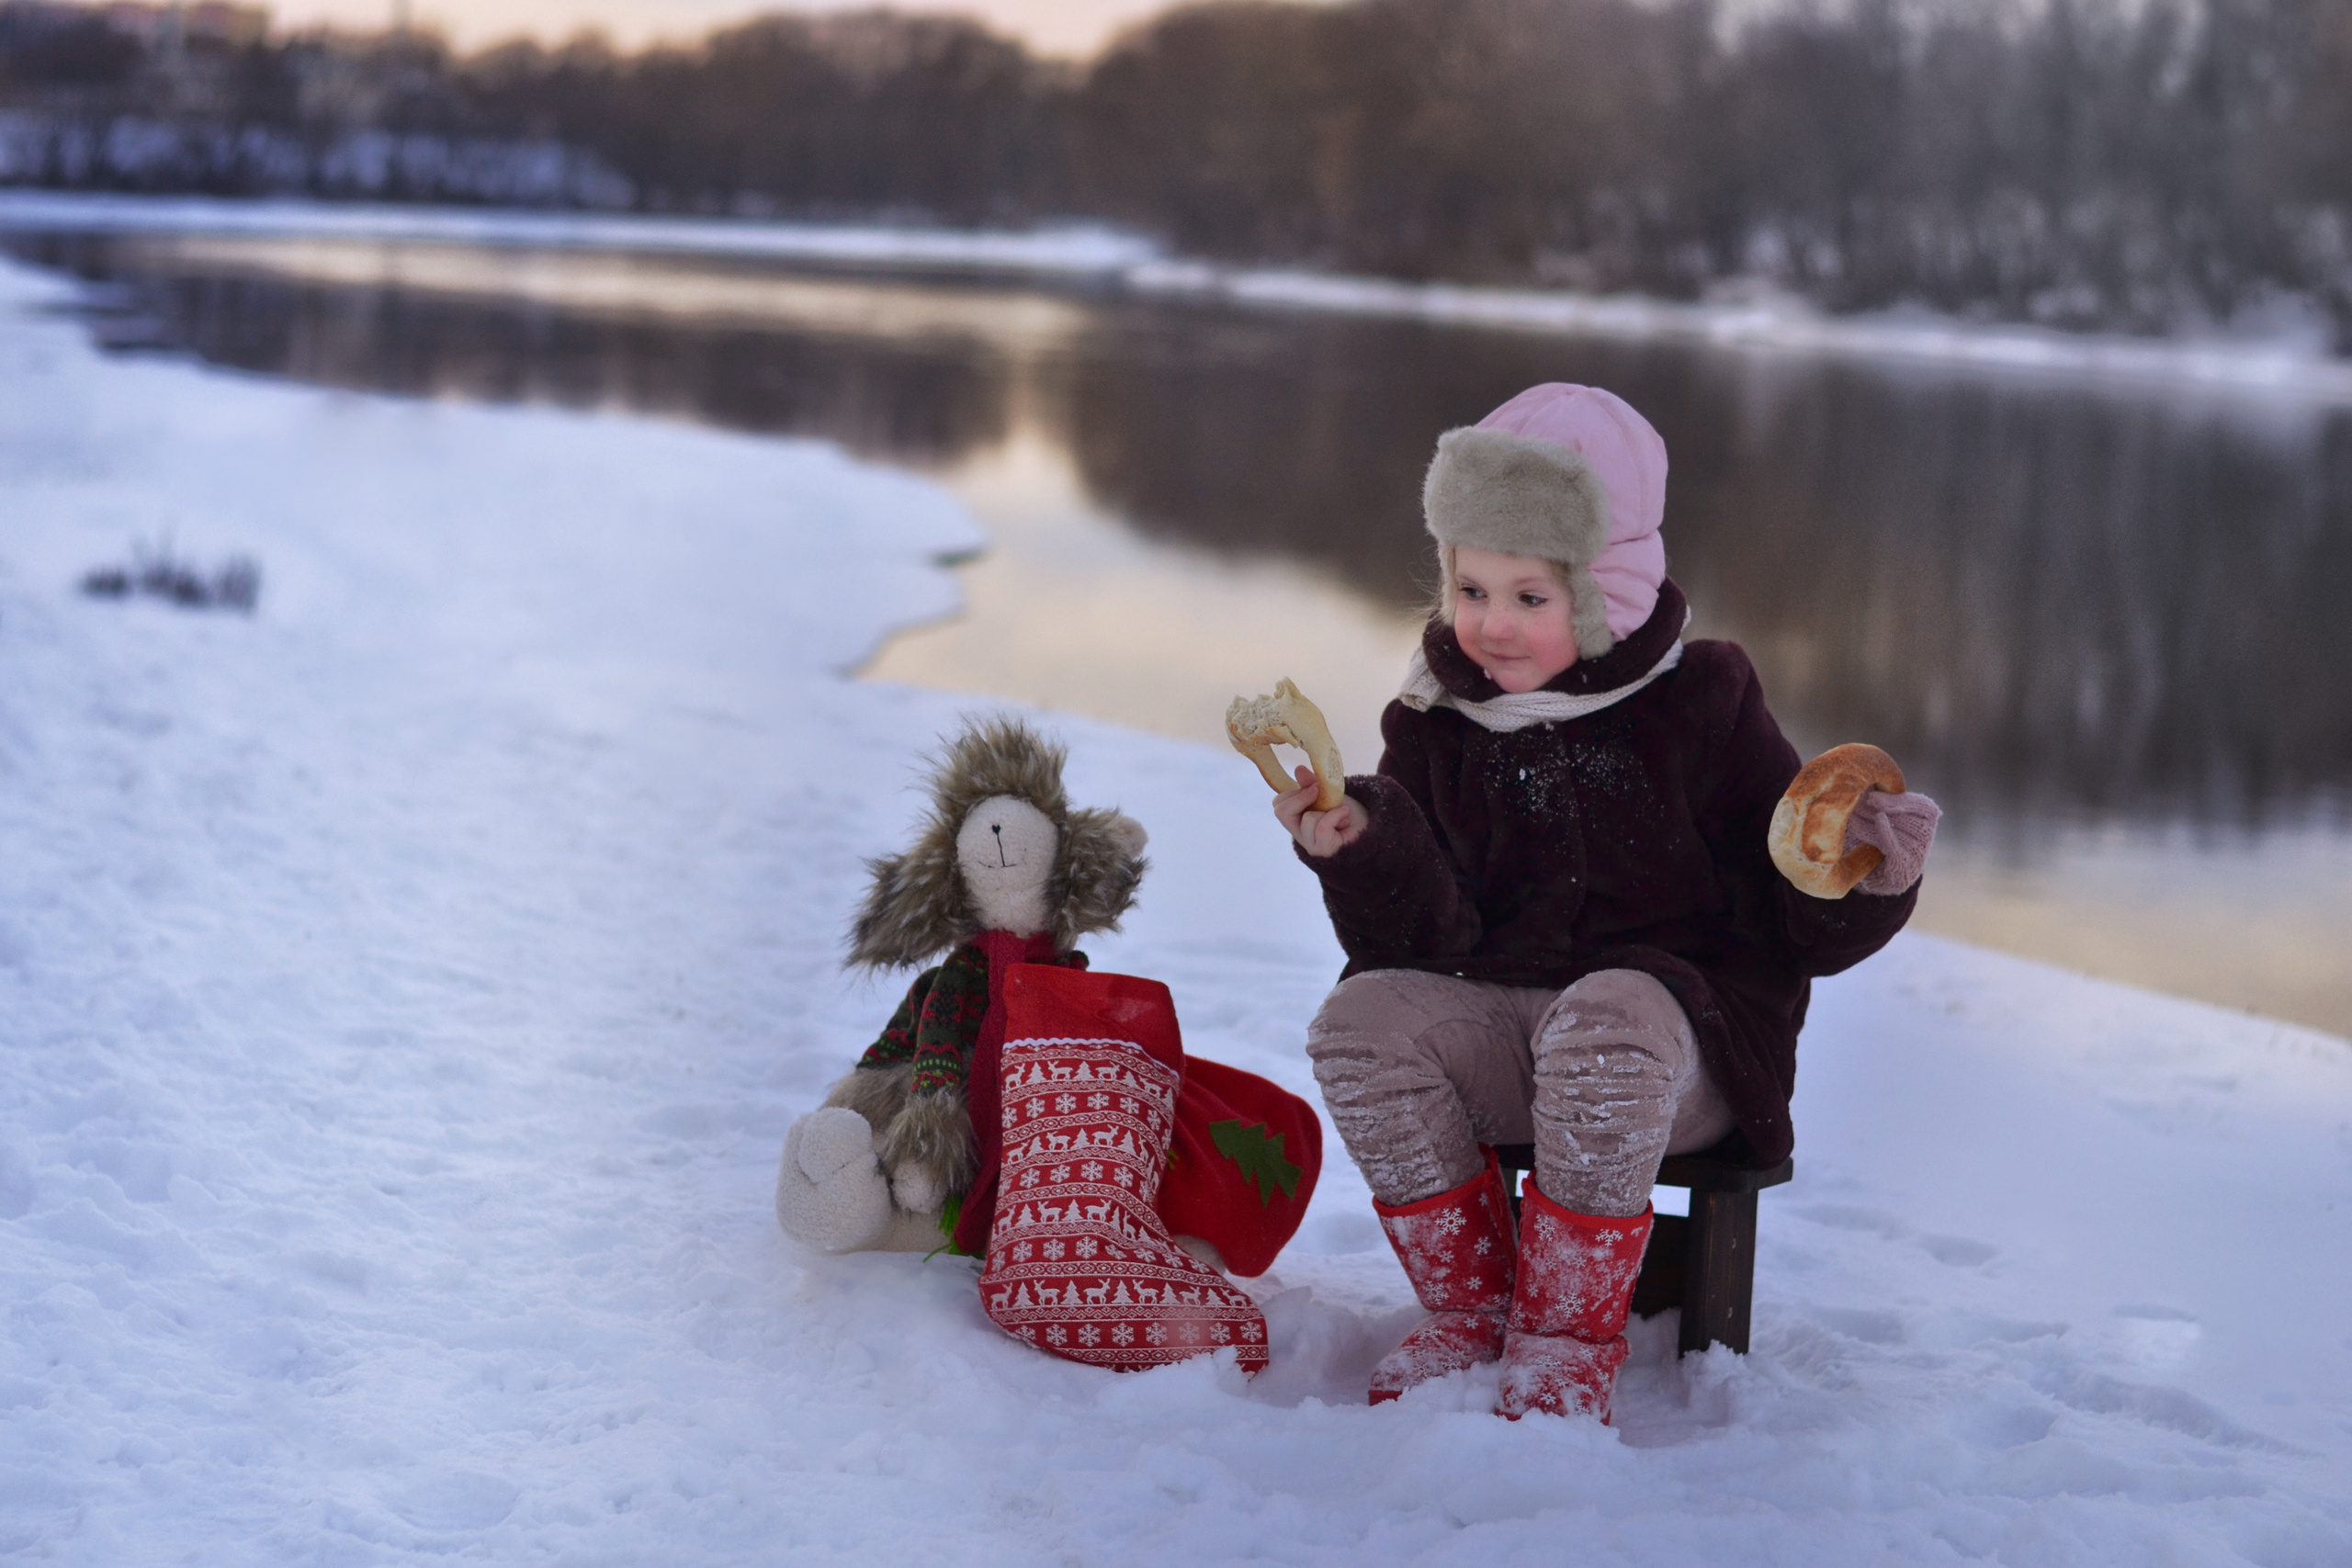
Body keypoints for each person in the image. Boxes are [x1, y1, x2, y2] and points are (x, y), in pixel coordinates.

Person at [1272, 383, 1939, 1421]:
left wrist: (1872, 872)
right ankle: (1472, 1308)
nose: (1490, 627)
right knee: (1357, 1023)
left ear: (1602, 592)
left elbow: (1791, 914)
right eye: (1471, 589)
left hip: (1681, 1053)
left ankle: (1564, 1334)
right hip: (1507, 1029)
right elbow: (1421, 944)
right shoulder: (1434, 722)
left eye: (1529, 599)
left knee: (1610, 1014)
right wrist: (1362, 849)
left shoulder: (1702, 706)